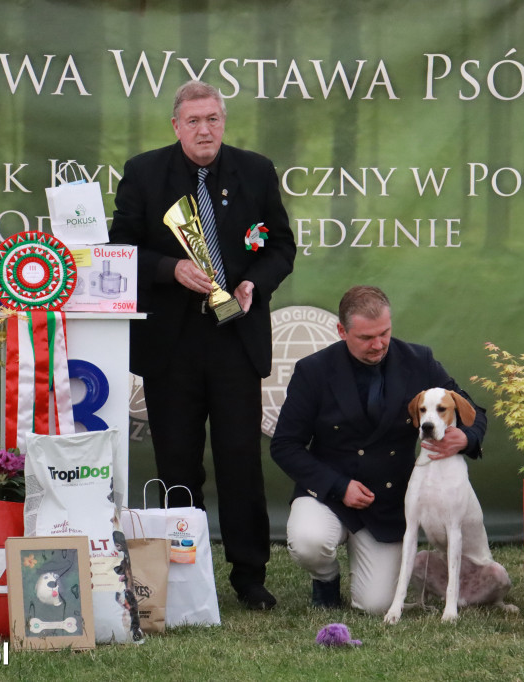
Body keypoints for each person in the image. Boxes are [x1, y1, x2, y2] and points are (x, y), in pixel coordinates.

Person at [109, 80, 296, 610]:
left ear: (223, 122)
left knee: (240, 459)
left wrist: (255, 283)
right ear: (176, 126)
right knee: (177, 463)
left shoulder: (255, 170)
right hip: (172, 344)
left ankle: (250, 576)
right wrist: (172, 269)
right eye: (193, 121)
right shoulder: (145, 172)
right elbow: (120, 249)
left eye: (212, 119)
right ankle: (178, 573)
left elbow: (281, 246)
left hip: (235, 336)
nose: (204, 129)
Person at [270, 285, 487, 613]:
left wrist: (467, 438)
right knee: (309, 541)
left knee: (376, 605)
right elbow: (285, 445)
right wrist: (339, 486)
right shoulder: (313, 371)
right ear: (342, 331)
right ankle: (326, 578)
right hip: (329, 490)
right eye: (366, 337)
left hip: (387, 499)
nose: (379, 344)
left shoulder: (419, 361)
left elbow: (472, 410)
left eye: (385, 333)